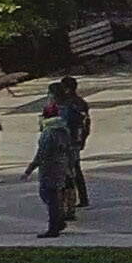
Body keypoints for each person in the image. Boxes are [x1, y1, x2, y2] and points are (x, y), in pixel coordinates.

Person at [42, 75, 94, 208]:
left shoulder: (67, 106)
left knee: (69, 172)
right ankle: (80, 198)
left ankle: (71, 201)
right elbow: (86, 123)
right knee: (74, 170)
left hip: (68, 144)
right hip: (73, 142)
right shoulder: (78, 102)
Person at [30, 111, 84, 238]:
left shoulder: (48, 133)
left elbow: (42, 153)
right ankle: (59, 221)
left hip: (49, 168)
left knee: (48, 195)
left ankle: (54, 225)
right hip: (62, 167)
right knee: (56, 195)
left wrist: (31, 167)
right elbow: (69, 150)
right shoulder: (64, 131)